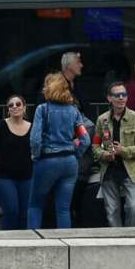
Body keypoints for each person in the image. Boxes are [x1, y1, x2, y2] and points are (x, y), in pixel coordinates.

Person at [28, 72, 90, 229]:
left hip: (47, 160)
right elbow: (85, 139)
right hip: (69, 162)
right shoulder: (74, 111)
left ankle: (32, 241)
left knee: (35, 204)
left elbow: (35, 139)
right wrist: (75, 153)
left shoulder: (42, 109)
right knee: (63, 209)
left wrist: (35, 156)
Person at [92, 82, 135, 227]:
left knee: (132, 207)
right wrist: (105, 154)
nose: (121, 98)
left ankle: (130, 238)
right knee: (112, 210)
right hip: (109, 170)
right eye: (117, 95)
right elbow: (95, 146)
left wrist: (123, 150)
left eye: (124, 94)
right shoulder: (102, 119)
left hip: (130, 170)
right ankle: (116, 240)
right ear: (109, 98)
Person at [0, 94, 32, 230]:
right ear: (8, 109)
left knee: (25, 214)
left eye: (18, 104)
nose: (14, 107)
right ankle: (8, 241)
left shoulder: (33, 127)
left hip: (27, 176)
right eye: (11, 105)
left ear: (24, 108)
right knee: (11, 210)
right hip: (3, 176)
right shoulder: (0, 127)